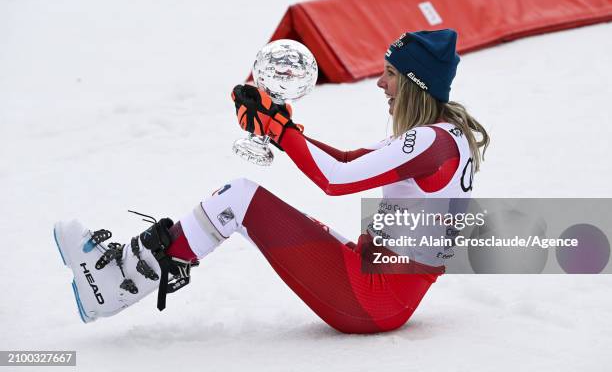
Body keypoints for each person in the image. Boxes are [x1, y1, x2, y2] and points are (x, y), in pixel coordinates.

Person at [54, 29, 489, 334]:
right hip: (380, 286)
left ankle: (111, 287)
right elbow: (345, 159)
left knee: (240, 199)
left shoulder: (430, 143)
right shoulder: (443, 134)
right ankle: (117, 280)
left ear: (415, 85)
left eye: (391, 74)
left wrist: (280, 131)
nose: (380, 82)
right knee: (241, 202)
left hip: (371, 297)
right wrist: (279, 127)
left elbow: (335, 180)